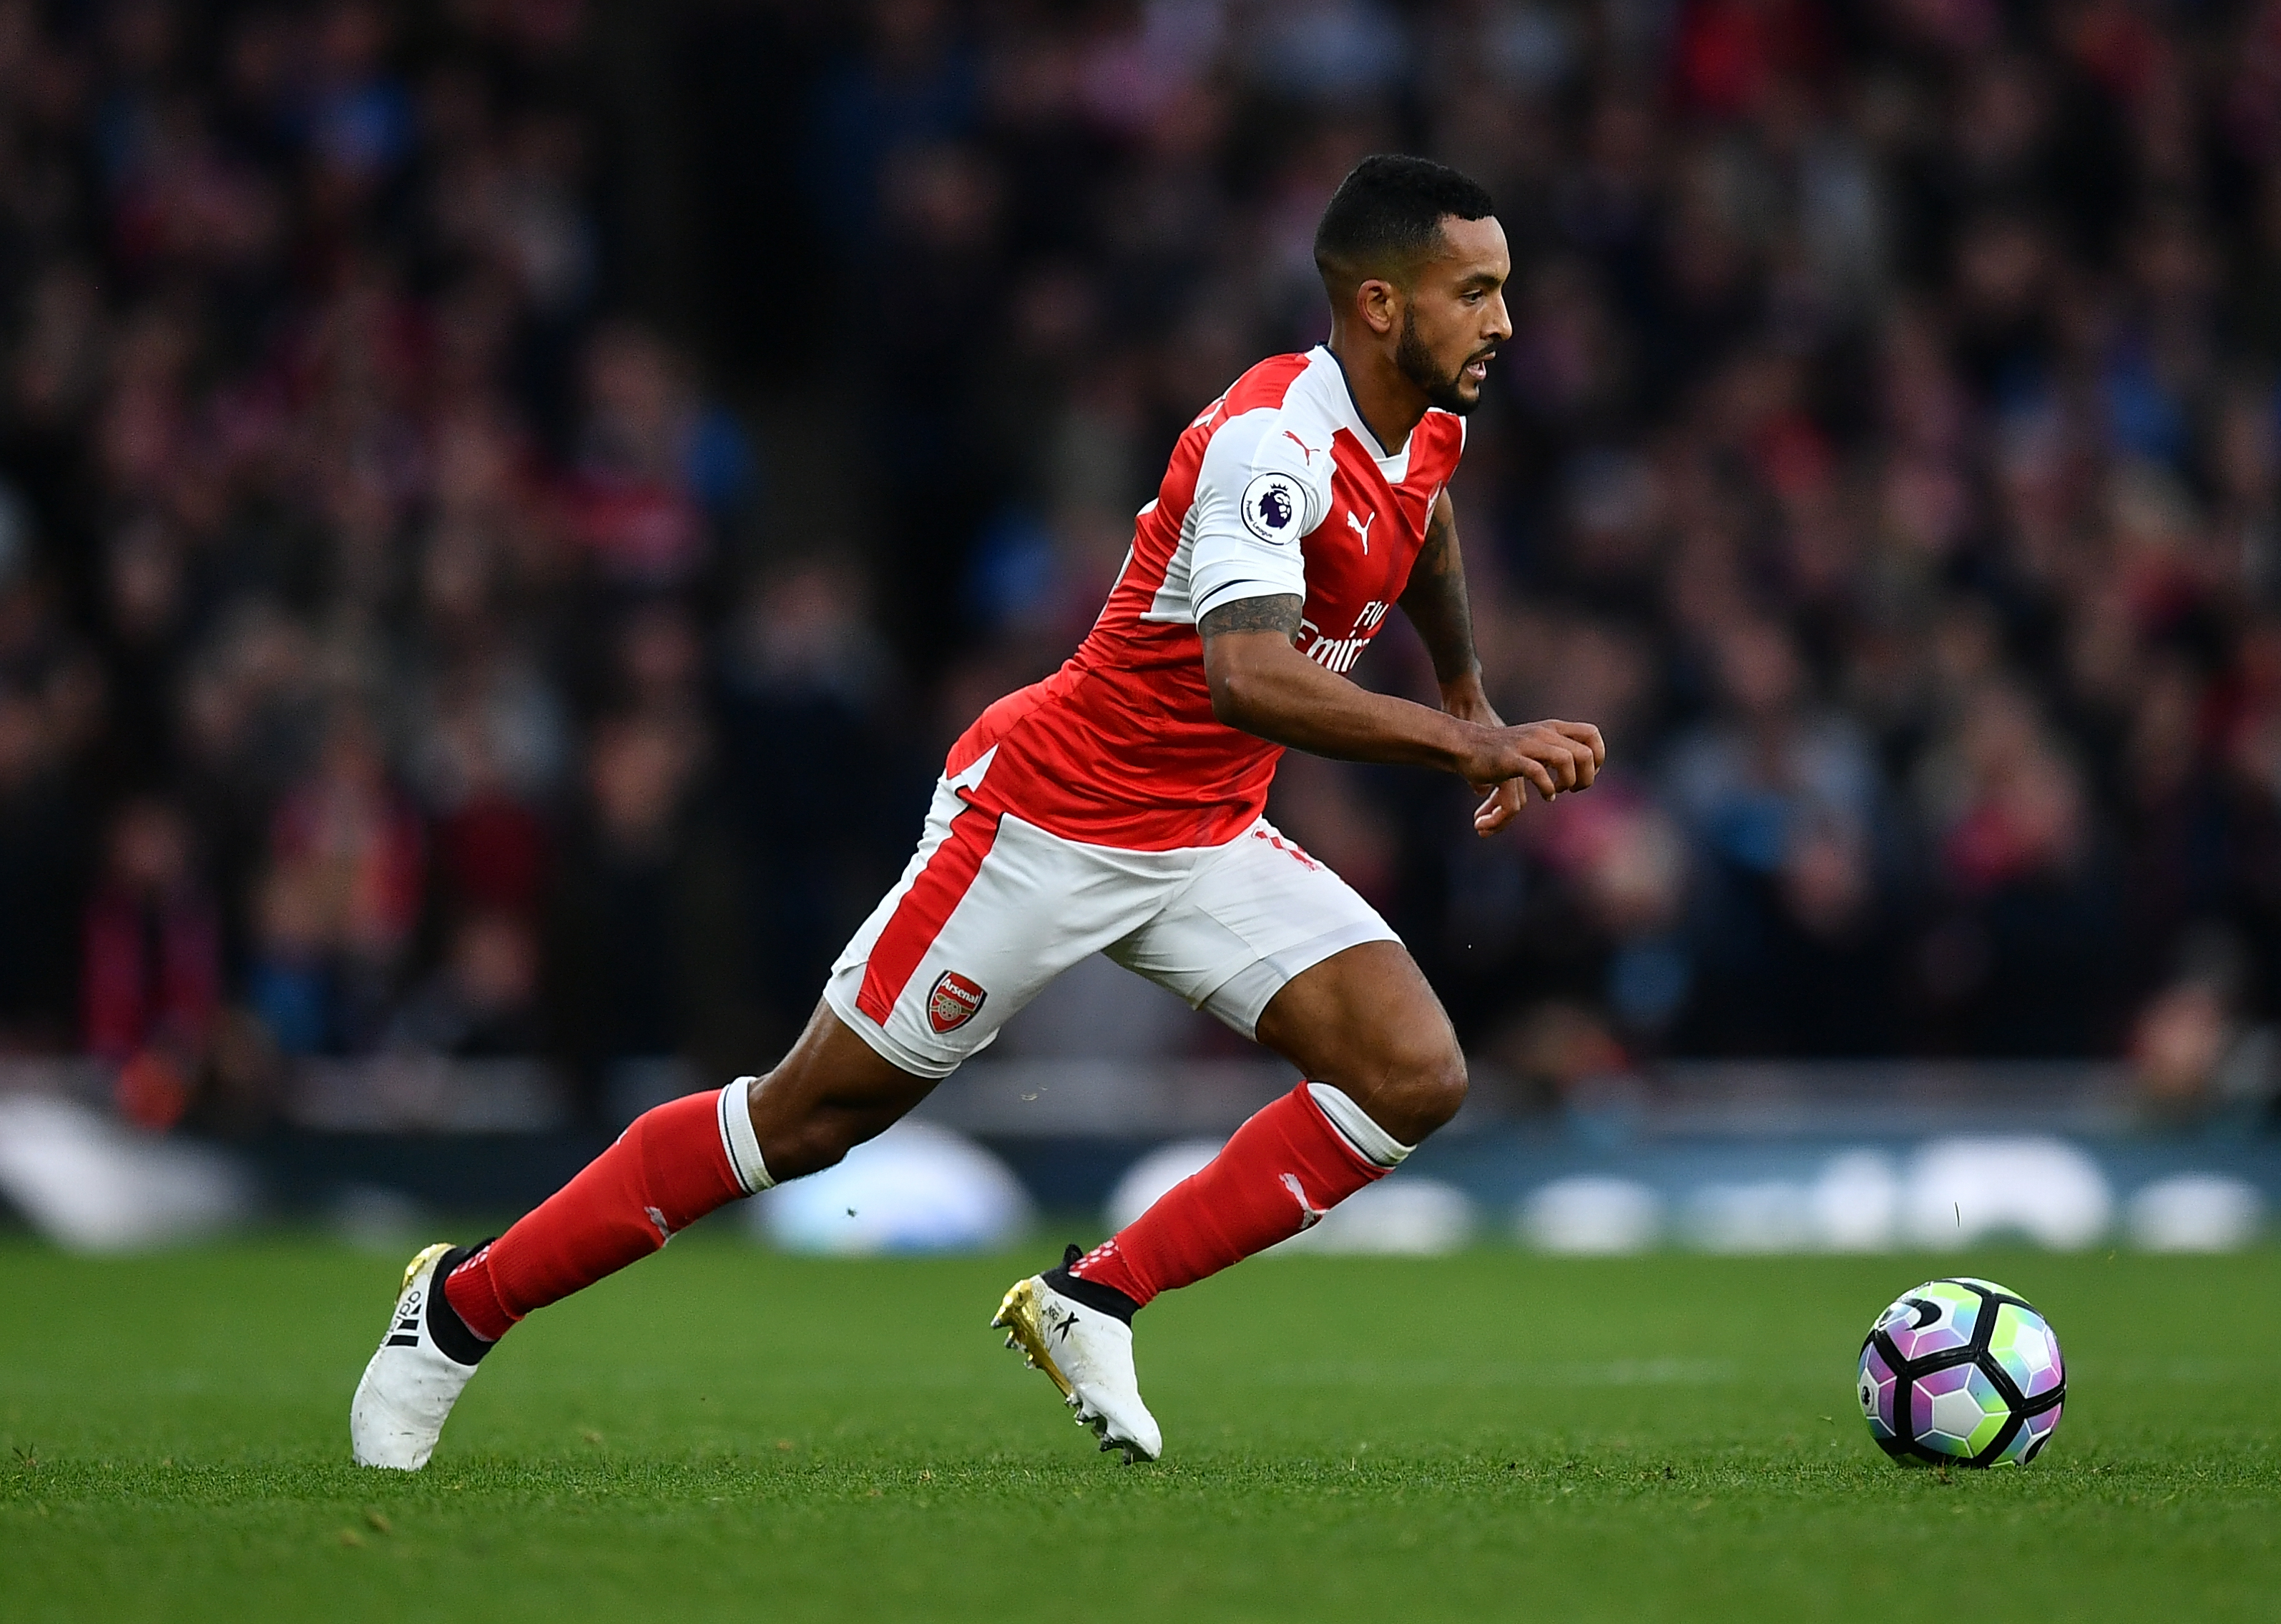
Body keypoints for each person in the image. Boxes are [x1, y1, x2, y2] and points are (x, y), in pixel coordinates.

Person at [350, 154, 1604, 1469]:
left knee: (1414, 1073)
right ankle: (454, 1310)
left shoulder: (1428, 422)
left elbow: (1428, 521)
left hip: (1203, 835)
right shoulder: (1271, 444)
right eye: (1478, 292)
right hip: (1044, 822)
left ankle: (1094, 1297)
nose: (1507, 322)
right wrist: (1469, 745)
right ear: (1380, 304)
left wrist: (1468, 690)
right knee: (807, 1119)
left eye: (1505, 290)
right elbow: (1248, 677)